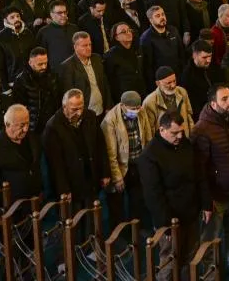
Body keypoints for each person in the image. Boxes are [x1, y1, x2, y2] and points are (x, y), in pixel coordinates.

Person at [193, 83, 229, 272]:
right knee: (211, 239)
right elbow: (200, 170)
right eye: (224, 99)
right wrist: (206, 202)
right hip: (216, 196)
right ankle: (210, 274)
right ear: (213, 104)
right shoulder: (202, 129)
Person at [138, 110, 208, 263]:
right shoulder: (149, 155)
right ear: (162, 130)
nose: (180, 136)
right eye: (174, 133)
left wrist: (206, 203)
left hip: (191, 214)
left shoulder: (185, 144)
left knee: (191, 258)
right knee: (170, 263)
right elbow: (153, 196)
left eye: (182, 131)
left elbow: (199, 175)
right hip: (170, 220)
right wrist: (166, 224)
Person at [42, 89, 110, 208]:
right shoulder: (53, 127)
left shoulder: (90, 116)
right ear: (64, 107)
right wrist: (63, 189)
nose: (79, 113)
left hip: (90, 178)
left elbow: (101, 145)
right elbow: (55, 164)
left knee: (93, 214)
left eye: (81, 108)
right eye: (74, 109)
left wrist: (105, 172)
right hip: (71, 184)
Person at [101, 91, 152, 226]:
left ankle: (136, 229)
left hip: (137, 164)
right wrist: (117, 178)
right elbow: (110, 153)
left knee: (137, 201)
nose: (136, 111)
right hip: (120, 166)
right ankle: (120, 232)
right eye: (132, 109)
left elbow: (148, 139)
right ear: (123, 105)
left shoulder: (142, 112)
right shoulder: (110, 120)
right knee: (117, 205)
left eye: (138, 108)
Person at [0, 104, 43, 200]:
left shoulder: (32, 138)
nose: (25, 129)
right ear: (7, 124)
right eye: (21, 125)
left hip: (34, 201)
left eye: (27, 124)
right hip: (10, 205)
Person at [57, 31, 111, 118]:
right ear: (75, 47)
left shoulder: (97, 58)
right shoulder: (67, 66)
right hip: (84, 114)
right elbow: (69, 95)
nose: (89, 48)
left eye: (90, 44)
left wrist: (108, 106)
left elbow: (105, 83)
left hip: (101, 110)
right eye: (84, 45)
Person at [139, 66, 195, 136]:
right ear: (158, 83)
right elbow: (149, 129)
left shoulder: (182, 92)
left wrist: (192, 136)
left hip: (183, 137)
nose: (173, 85)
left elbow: (189, 117)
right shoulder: (150, 102)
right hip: (164, 140)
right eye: (168, 83)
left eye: (174, 81)